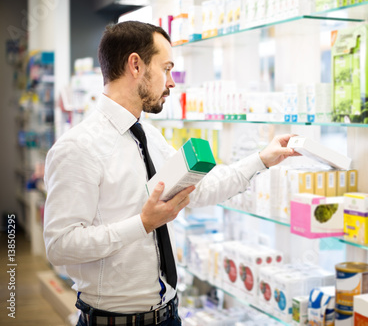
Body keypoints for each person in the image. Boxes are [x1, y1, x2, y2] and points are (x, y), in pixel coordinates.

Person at [43, 21, 298, 326]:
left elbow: (200, 189)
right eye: (166, 68)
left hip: (168, 315)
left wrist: (261, 159)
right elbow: (60, 245)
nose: (172, 82)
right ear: (135, 65)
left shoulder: (150, 138)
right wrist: (143, 223)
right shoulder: (78, 148)